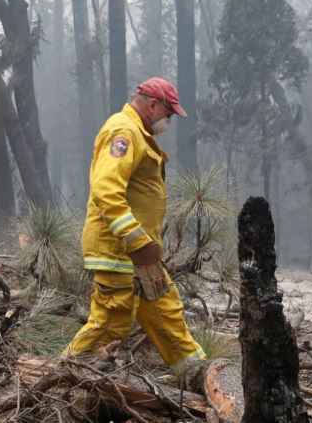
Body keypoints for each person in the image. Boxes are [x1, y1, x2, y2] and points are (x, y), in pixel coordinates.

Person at [63, 78, 205, 372]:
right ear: (152, 105)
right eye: (168, 114)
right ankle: (62, 379)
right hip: (118, 252)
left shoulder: (138, 134)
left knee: (166, 315)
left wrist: (143, 247)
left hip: (141, 255)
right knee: (110, 324)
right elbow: (106, 190)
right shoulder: (123, 132)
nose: (168, 122)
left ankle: (199, 375)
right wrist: (136, 240)